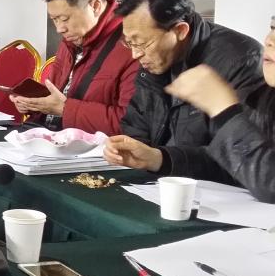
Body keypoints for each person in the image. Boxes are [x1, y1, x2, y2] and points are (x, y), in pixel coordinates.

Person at [104, 0, 266, 182]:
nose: (135, 54)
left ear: (180, 31)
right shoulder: (154, 59)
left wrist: (160, 159)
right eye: (130, 43)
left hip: (214, 191)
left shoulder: (241, 60)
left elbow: (242, 156)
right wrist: (129, 148)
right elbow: (137, 124)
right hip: (160, 182)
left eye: (142, 43)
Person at [105, 17, 275, 202]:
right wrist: (158, 159)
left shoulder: (240, 59)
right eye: (272, 28)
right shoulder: (266, 96)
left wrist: (225, 113)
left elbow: (269, 182)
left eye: (144, 42)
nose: (269, 40)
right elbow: (233, 166)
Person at [10, 0, 138, 135]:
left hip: (91, 147)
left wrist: (65, 109)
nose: (59, 29)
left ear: (95, 6)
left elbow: (130, 125)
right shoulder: (72, 39)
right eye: (54, 20)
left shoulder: (132, 45)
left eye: (65, 19)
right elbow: (56, 97)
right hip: (49, 136)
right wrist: (33, 105)